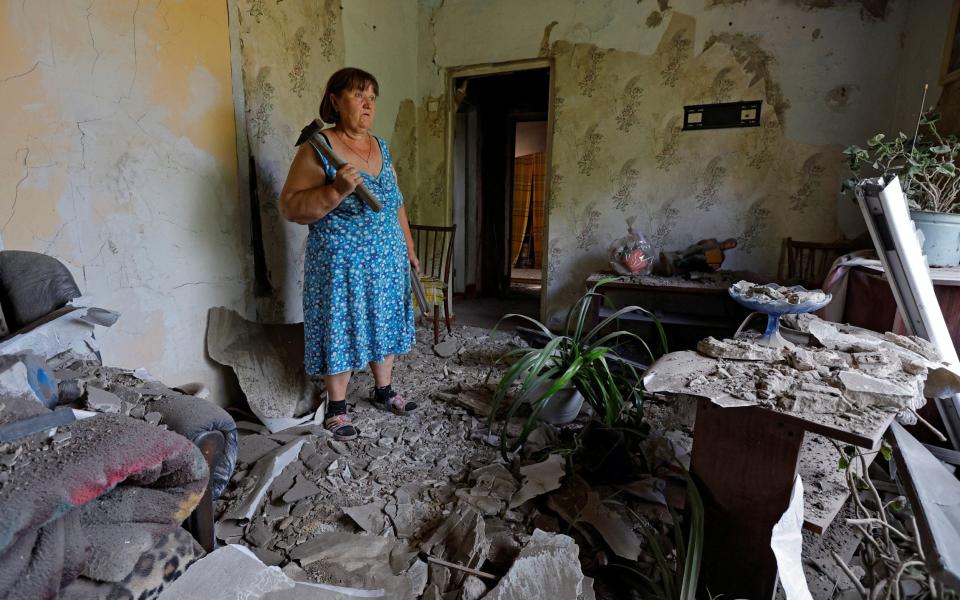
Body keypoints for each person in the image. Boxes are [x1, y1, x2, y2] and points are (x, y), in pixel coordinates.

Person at [280, 67, 419, 442]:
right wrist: (336, 190)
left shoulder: (380, 146)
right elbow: (291, 207)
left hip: (387, 259)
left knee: (386, 321)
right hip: (342, 263)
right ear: (335, 101)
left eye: (372, 95)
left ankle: (384, 389)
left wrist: (407, 245)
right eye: (358, 94)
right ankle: (338, 407)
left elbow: (395, 201)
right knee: (339, 326)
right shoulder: (318, 148)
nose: (368, 102)